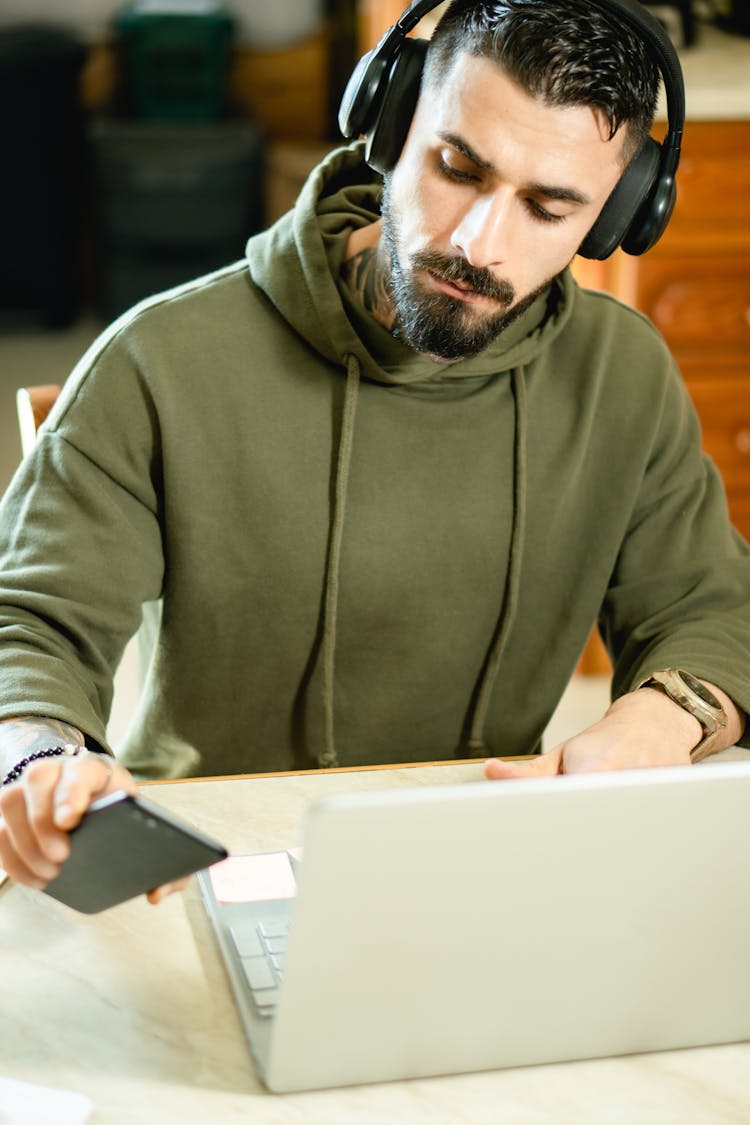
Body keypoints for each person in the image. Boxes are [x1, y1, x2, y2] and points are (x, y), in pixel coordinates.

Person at [1, 0, 748, 901]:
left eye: (548, 208)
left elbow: (713, 603)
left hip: (480, 865)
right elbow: (31, 624)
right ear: (388, 126)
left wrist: (667, 717)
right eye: (457, 167)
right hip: (205, 865)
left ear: (610, 220)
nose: (480, 245)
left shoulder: (622, 376)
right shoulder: (157, 360)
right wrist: (35, 756)